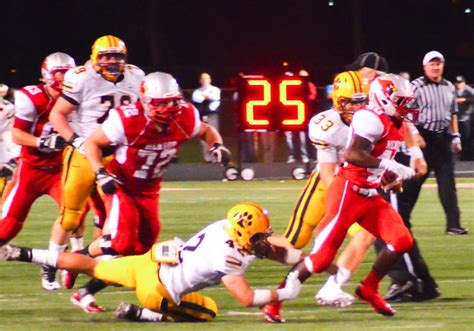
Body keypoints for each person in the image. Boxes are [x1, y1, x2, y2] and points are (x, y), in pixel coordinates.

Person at [61, 72, 231, 313]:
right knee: (123, 241)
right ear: (145, 100)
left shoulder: (186, 115)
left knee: (141, 253)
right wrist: (100, 172)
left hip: (150, 189)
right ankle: (75, 259)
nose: (169, 107)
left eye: (172, 101)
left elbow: (205, 130)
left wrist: (217, 145)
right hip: (121, 183)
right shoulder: (127, 119)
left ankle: (85, 291)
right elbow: (92, 143)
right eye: (161, 103)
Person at [270, 74, 419, 318]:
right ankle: (275, 298)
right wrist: (387, 167)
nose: (357, 107)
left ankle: (366, 287)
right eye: (351, 101)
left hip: (368, 192)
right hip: (343, 189)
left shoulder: (392, 122)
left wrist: (389, 177)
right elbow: (349, 158)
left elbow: (373, 165)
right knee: (316, 254)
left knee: (401, 239)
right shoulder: (363, 120)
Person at [0, 202, 303, 323]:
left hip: (147, 263)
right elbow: (246, 297)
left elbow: (266, 248)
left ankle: (24, 254)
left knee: (91, 265)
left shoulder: (221, 227)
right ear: (243, 233)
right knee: (209, 311)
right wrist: (285, 293)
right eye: (260, 235)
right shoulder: (229, 255)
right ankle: (147, 316)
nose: (264, 239)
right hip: (156, 291)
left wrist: (295, 257)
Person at [48, 35, 145, 312]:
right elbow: (58, 114)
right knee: (70, 217)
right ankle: (51, 263)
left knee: (113, 221)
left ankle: (83, 265)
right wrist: (75, 140)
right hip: (83, 152)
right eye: (106, 56)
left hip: (116, 156)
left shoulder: (137, 75)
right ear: (94, 57)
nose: (112, 61)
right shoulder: (80, 77)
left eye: (117, 56)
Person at [0, 53, 76, 290]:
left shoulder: (78, 96)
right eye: (59, 72)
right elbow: (17, 134)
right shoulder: (31, 97)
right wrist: (42, 143)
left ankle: (51, 264)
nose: (64, 78)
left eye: (68, 72)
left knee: (73, 215)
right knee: (9, 226)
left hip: (59, 170)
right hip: (31, 169)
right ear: (46, 76)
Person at [397, 51, 466, 235]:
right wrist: (414, 135)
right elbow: (404, 113)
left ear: (442, 65)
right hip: (423, 139)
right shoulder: (416, 86)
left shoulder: (449, 86)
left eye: (438, 64)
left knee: (447, 184)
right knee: (413, 183)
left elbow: (453, 114)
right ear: (425, 66)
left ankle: (453, 225)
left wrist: (456, 135)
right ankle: (401, 221)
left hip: (443, 138)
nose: (435, 67)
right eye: (432, 64)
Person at [192, 72, 221, 163]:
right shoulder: (197, 91)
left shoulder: (215, 89)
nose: (205, 80)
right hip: (202, 118)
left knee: (214, 137)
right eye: (203, 79)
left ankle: (215, 158)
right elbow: (196, 99)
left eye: (207, 78)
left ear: (210, 80)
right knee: (204, 139)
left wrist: (206, 97)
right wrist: (207, 97)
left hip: (212, 116)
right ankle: (207, 159)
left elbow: (215, 97)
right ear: (200, 80)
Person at [0, 83, 19, 199]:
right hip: (5, 140)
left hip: (4, 141)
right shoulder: (9, 106)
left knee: (6, 171)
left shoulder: (9, 106)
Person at [454, 75, 474, 160]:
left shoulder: (468, 90)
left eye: (460, 82)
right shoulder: (453, 90)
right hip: (456, 117)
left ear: (464, 82)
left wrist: (464, 100)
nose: (458, 84)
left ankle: (467, 154)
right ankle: (461, 153)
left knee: (467, 136)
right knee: (459, 136)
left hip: (466, 116)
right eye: (457, 83)